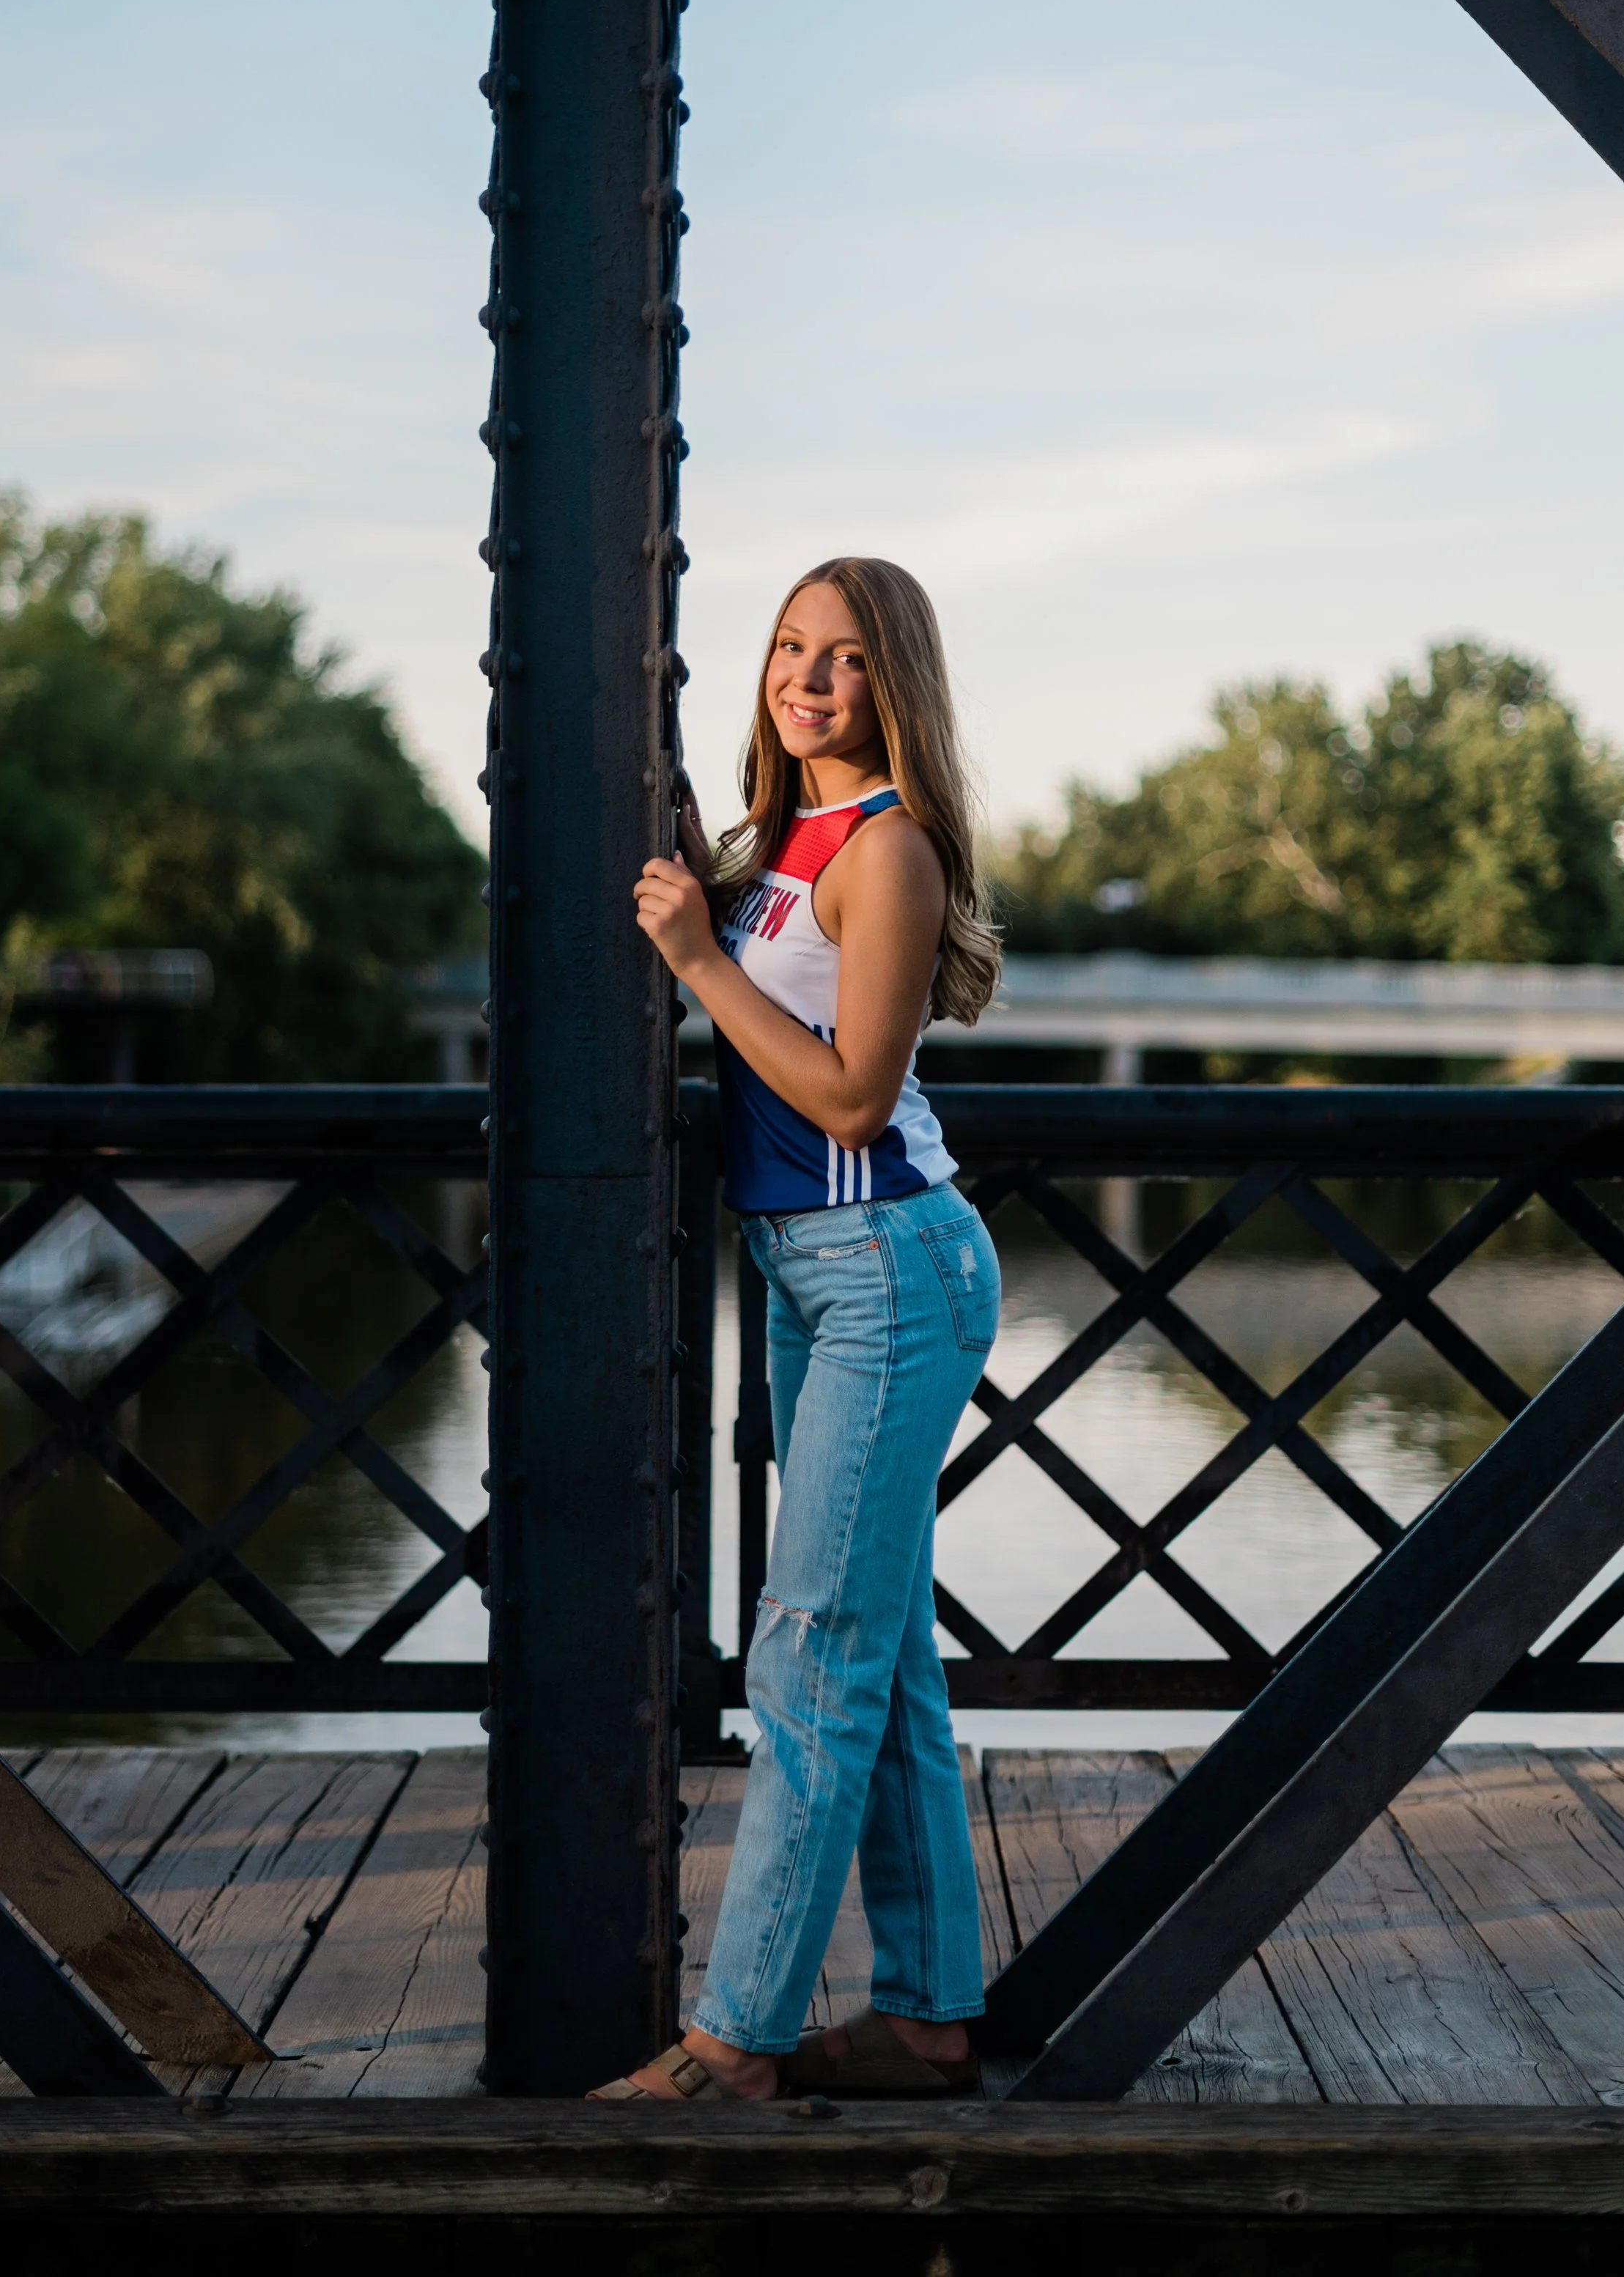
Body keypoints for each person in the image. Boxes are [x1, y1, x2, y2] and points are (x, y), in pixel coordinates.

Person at [594, 555, 1002, 2103]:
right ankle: (923, 2017)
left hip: (889, 1268)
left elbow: (845, 1092)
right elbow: (764, 935)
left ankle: (735, 2043)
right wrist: (707, 877)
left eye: (842, 658)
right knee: (883, 1658)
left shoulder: (885, 854)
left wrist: (697, 962)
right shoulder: (789, 844)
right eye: (786, 647)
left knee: (811, 1653)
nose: (807, 678)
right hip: (813, 1271)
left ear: (892, 683)